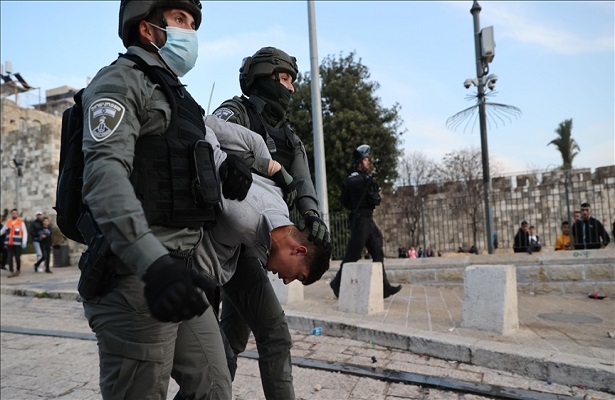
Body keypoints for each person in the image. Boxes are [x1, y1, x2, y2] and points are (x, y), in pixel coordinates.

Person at [78, 1, 253, 398]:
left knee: (214, 383)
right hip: (134, 275)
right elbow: (104, 178)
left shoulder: (180, 98)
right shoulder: (120, 82)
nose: (190, 32)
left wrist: (225, 166)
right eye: (179, 20)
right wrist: (153, 265)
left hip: (181, 275)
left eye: (193, 23)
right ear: (147, 27)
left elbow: (188, 156)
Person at [212, 46, 330, 399]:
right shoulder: (237, 112)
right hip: (226, 232)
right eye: (285, 79)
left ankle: (206, 392)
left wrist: (311, 214)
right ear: (264, 78)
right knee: (274, 335)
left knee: (230, 340)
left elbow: (303, 180)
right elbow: (207, 140)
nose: (291, 88)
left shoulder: (290, 138)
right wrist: (263, 166)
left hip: (253, 239)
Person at [329, 144, 402, 299]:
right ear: (360, 162)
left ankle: (384, 287)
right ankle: (336, 283)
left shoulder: (364, 179)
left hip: (368, 220)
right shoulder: (354, 179)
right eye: (366, 160)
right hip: (360, 220)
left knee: (377, 249)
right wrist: (367, 183)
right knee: (353, 255)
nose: (368, 163)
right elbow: (349, 194)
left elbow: (372, 198)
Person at [0, 209, 28, 278]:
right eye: (13, 213)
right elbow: (2, 231)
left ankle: (18, 270)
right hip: (9, 244)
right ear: (11, 214)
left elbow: (25, 233)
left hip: (17, 244)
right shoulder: (8, 222)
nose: (14, 214)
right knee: (9, 258)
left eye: (16, 213)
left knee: (17, 258)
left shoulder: (21, 223)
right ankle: (11, 271)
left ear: (17, 214)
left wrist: (24, 242)